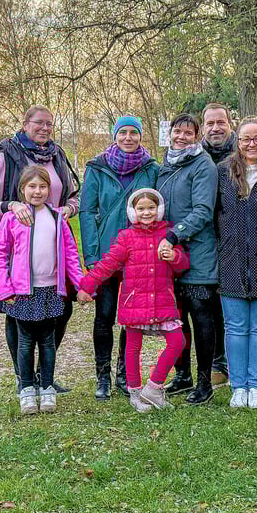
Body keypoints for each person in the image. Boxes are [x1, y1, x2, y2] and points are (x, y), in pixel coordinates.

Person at [0, 105, 81, 395]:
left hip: (54, 241)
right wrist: (11, 205)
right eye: (39, 123)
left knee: (61, 309)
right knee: (18, 313)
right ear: (25, 124)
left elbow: (72, 194)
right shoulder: (8, 155)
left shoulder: (57, 155)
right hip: (16, 244)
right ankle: (23, 377)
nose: (45, 128)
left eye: (50, 124)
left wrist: (69, 209)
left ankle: (43, 374)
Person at [77, 188, 190, 412]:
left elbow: (183, 265)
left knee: (178, 341)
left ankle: (154, 387)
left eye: (151, 208)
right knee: (132, 348)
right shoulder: (126, 237)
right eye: (141, 209)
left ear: (159, 209)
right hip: (134, 301)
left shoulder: (168, 235)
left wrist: (174, 257)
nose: (146, 212)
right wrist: (87, 286)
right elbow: (107, 264)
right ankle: (135, 392)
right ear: (132, 211)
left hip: (162, 300)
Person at [0, 166, 85, 415]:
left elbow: (71, 255)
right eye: (32, 186)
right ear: (23, 189)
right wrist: (5, 289)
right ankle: (26, 388)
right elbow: (0, 255)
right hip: (22, 292)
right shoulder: (12, 219)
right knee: (24, 343)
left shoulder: (57, 218)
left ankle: (46, 387)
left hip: (51, 290)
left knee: (47, 342)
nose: (37, 191)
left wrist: (80, 285)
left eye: (42, 186)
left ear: (50, 189)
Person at [79, 116, 159, 400]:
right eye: (122, 132)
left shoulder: (151, 169)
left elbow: (158, 206)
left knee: (131, 318)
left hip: (139, 254)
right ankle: (103, 375)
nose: (128, 137)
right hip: (106, 253)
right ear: (115, 136)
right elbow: (87, 211)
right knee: (104, 315)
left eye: (133, 133)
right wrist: (91, 254)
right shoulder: (97, 168)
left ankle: (126, 372)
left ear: (140, 136)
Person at [215, 117, 257, 409]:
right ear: (237, 141)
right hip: (231, 260)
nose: (251, 144)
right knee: (235, 326)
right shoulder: (222, 172)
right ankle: (238, 385)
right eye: (246, 139)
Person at [156, 113, 220, 404]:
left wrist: (175, 234)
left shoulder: (202, 165)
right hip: (171, 257)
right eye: (177, 131)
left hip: (198, 255)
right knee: (176, 319)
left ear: (197, 136)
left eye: (188, 132)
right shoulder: (166, 166)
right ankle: (183, 375)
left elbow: (203, 210)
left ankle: (205, 381)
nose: (181, 137)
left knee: (201, 320)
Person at [199, 102, 235, 387]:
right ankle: (215, 361)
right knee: (208, 304)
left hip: (234, 237)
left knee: (231, 304)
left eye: (220, 122)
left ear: (229, 124)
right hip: (204, 239)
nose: (215, 128)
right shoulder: (197, 156)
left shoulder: (241, 153)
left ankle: (232, 363)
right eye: (210, 123)